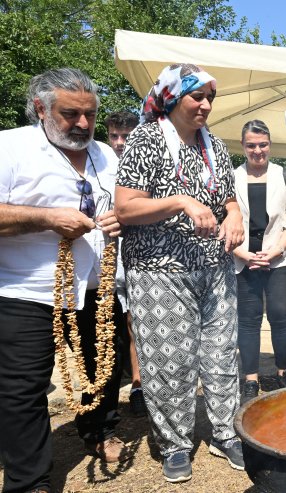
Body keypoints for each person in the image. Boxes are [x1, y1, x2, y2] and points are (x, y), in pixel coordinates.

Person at [114, 63, 245, 482]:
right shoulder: (145, 140)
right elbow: (126, 208)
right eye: (197, 96)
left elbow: (229, 199)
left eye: (210, 97)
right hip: (159, 272)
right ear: (172, 97)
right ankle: (175, 443)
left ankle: (226, 433)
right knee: (170, 359)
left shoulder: (216, 146)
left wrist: (236, 216)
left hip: (215, 268)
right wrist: (180, 202)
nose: (206, 104)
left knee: (222, 352)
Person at [0, 67, 128, 493]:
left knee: (104, 368)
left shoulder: (106, 155)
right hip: (27, 289)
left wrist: (119, 219)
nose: (84, 124)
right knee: (24, 389)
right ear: (41, 108)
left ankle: (99, 429)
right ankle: (29, 480)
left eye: (90, 114)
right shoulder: (9, 147)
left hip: (97, 283)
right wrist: (45, 218)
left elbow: (126, 206)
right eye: (71, 114)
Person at [233, 119, 286, 401]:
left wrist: (276, 250)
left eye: (262, 145)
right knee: (248, 320)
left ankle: (283, 371)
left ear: (270, 145)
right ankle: (249, 378)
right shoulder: (231, 176)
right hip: (242, 258)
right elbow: (221, 219)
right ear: (243, 146)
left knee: (280, 315)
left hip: (280, 259)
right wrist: (239, 252)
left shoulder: (285, 175)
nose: (257, 150)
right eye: (251, 145)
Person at [104, 110, 147, 418]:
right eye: (114, 136)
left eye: (126, 136)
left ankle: (139, 384)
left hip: (138, 257)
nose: (120, 143)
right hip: (105, 262)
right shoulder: (99, 164)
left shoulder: (146, 166)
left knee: (136, 324)